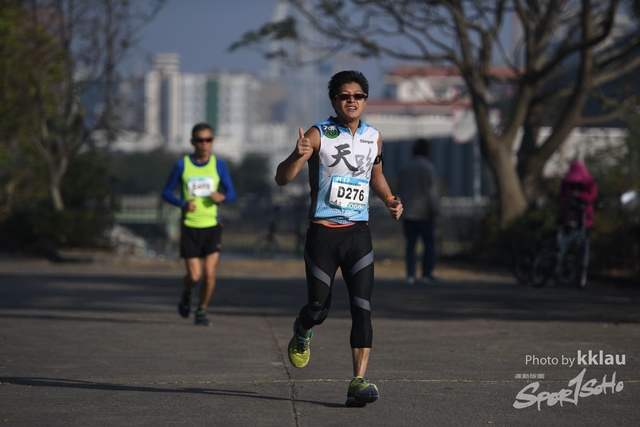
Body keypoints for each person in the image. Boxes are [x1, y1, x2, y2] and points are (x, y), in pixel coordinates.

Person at [275, 70, 403, 407]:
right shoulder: (318, 134)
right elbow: (282, 178)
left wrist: (390, 199)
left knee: (362, 308)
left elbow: (376, 175)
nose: (352, 101)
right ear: (334, 101)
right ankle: (303, 331)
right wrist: (297, 154)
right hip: (323, 235)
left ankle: (358, 381)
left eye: (358, 96)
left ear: (365, 100)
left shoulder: (374, 137)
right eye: (345, 96)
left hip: (358, 233)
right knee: (318, 309)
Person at [162, 122, 237, 326]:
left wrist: (222, 197)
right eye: (200, 140)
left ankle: (201, 310)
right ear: (192, 142)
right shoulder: (182, 165)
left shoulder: (219, 165)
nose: (204, 144)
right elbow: (166, 192)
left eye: (208, 140)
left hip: (212, 226)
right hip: (190, 226)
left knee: (209, 275)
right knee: (194, 276)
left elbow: (232, 193)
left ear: (212, 142)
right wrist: (183, 203)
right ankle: (187, 292)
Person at [397, 138, 440, 285]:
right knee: (429, 244)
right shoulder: (428, 168)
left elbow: (400, 189)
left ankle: (410, 274)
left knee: (410, 245)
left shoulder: (405, 168)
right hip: (424, 213)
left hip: (408, 212)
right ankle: (426, 274)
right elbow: (432, 192)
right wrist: (435, 210)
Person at [558, 160, 598, 231]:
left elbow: (592, 197)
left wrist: (579, 195)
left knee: (583, 233)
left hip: (584, 216)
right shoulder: (567, 182)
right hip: (569, 215)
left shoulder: (589, 182)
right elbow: (562, 196)